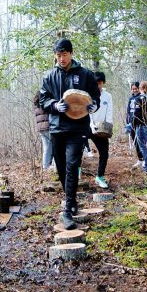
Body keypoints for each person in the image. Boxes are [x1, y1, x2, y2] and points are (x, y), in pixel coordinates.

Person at [39, 38, 100, 229]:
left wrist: (93, 106)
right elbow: (43, 99)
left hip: (77, 128)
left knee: (73, 165)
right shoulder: (49, 76)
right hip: (57, 128)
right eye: (58, 55)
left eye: (64, 55)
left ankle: (67, 209)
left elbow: (95, 96)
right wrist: (55, 105)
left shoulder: (85, 74)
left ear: (71, 54)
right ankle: (71, 199)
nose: (61, 59)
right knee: (62, 167)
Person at [89, 72, 113, 189]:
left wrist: (107, 127)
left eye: (100, 83)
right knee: (77, 150)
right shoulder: (88, 94)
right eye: (96, 83)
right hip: (88, 127)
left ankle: (99, 176)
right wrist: (91, 125)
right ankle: (76, 173)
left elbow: (109, 112)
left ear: (103, 83)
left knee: (104, 153)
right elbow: (86, 112)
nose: (98, 85)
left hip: (102, 127)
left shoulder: (108, 96)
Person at [33, 91, 54, 172]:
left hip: (41, 129)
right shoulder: (44, 104)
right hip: (48, 127)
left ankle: (45, 166)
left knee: (46, 148)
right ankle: (52, 165)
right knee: (54, 146)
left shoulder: (35, 106)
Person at [126, 81, 144, 167]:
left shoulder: (142, 97)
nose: (134, 90)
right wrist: (127, 122)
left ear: (139, 89)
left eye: (136, 88)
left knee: (141, 142)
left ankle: (145, 160)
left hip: (139, 123)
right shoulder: (131, 99)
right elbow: (128, 111)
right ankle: (140, 159)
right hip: (131, 123)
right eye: (133, 89)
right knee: (135, 141)